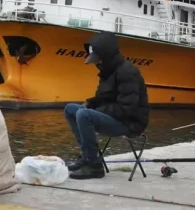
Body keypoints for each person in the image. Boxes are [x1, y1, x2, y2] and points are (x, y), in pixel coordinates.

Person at [64, 32, 150, 180]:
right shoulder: (107, 72)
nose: (96, 64)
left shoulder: (127, 72)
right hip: (115, 117)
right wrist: (90, 102)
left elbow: (126, 108)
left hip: (129, 123)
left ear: (106, 56)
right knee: (70, 109)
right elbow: (103, 97)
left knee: (84, 115)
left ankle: (94, 166)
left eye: (98, 60)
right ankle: (86, 156)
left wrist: (95, 111)